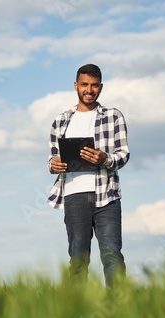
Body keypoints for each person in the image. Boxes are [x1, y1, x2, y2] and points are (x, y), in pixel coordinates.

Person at [47, 64, 130, 288]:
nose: (89, 90)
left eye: (94, 86)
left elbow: (124, 154)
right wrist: (53, 164)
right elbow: (53, 159)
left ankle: (119, 307)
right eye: (84, 85)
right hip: (74, 196)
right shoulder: (61, 121)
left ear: (101, 87)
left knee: (112, 254)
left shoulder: (113, 117)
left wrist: (105, 159)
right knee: (78, 259)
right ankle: (77, 309)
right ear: (76, 86)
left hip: (107, 196)